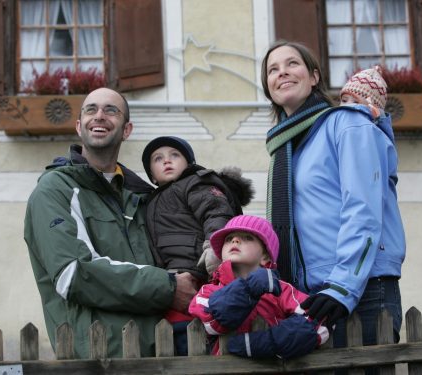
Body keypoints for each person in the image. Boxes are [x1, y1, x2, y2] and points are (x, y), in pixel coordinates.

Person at [24, 88, 198, 358]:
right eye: (91, 110)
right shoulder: (55, 189)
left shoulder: (142, 197)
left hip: (161, 357)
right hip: (97, 359)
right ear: (79, 127)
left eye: (111, 110)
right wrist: (168, 287)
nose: (100, 116)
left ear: (127, 129)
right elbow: (73, 274)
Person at [260, 41, 406, 351]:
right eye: (272, 69)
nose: (282, 72)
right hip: (312, 297)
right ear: (268, 87)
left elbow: (363, 210)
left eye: (292, 64)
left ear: (314, 77)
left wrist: (343, 286)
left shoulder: (347, 124)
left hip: (360, 290)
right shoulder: (287, 151)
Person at [141, 136, 253, 355]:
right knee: (175, 333)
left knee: (198, 326)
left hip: (200, 268)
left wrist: (213, 247)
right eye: (158, 158)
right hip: (172, 276)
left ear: (189, 163)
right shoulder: (152, 201)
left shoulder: (196, 183)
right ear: (151, 175)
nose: (167, 161)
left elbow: (215, 212)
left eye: (175, 155)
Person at [188, 215, 329, 358]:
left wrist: (272, 342)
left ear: (265, 257)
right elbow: (211, 322)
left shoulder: (281, 289)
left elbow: (318, 320)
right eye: (229, 238)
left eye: (248, 237)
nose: (235, 240)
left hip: (274, 368)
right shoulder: (208, 290)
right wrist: (249, 288)